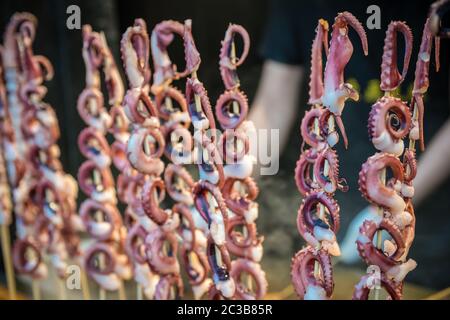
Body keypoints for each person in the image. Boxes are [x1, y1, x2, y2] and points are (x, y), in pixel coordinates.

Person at [250, 0, 450, 289]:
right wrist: (238, 179)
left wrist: (389, 205)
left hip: (431, 237)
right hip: (333, 225)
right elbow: (272, 107)